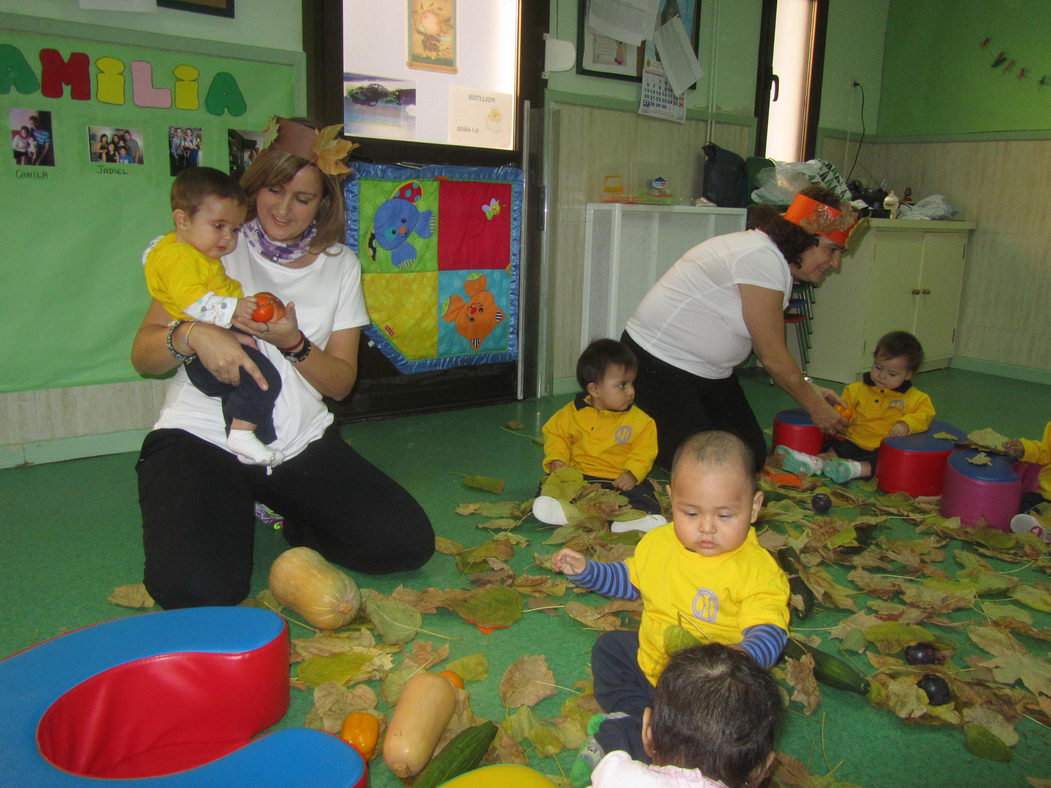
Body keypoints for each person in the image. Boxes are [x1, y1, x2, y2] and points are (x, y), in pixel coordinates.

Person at [131, 116, 434, 610]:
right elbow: (145, 357)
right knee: (198, 591)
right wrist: (194, 333)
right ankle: (223, 501)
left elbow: (340, 384)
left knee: (404, 543)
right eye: (275, 190)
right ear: (256, 188)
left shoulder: (340, 264)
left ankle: (280, 514)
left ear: (324, 203)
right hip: (202, 434)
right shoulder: (214, 243)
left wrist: (295, 344)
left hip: (294, 441)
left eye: (303, 197)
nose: (283, 208)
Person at [551, 430, 789, 785]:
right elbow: (629, 580)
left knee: (724, 732)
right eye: (690, 512)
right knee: (610, 649)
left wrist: (741, 657)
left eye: (725, 516)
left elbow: (770, 631)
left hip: (703, 697)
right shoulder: (659, 543)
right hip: (653, 660)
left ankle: (645, 733)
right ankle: (640, 717)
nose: (706, 528)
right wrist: (587, 571)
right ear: (671, 498)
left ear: (754, 507)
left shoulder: (758, 571)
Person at [623, 185, 859, 472]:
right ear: (804, 239)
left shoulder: (768, 256)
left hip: (710, 374)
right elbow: (772, 355)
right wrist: (814, 406)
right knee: (703, 466)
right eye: (832, 250)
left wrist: (811, 388)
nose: (834, 264)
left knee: (751, 456)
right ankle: (626, 426)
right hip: (657, 366)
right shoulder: (761, 258)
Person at [142, 166, 284, 466]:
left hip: (208, 345)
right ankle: (243, 438)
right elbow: (193, 302)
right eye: (218, 226)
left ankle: (248, 446)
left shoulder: (192, 253)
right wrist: (234, 308)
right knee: (265, 381)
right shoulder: (180, 258)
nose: (227, 239)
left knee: (247, 398)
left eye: (234, 230)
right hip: (201, 351)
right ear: (182, 220)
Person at [589, 643, 781, 788]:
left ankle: (627, 719)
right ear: (761, 769)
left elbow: (611, 765)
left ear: (646, 731)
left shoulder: (620, 773)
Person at [532, 338, 667, 534]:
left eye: (631, 383)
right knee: (548, 487)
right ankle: (563, 512)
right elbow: (556, 435)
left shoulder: (642, 421)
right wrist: (557, 460)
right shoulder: (571, 413)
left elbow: (644, 451)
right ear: (594, 390)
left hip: (618, 480)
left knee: (645, 496)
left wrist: (632, 473)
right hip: (579, 477)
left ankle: (629, 521)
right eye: (622, 386)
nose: (631, 392)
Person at [775, 330, 934, 482]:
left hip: (881, 446)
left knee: (884, 462)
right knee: (835, 447)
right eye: (878, 367)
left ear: (908, 374)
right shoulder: (855, 389)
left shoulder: (917, 398)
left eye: (892, 374)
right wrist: (839, 416)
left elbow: (925, 415)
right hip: (853, 439)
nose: (882, 375)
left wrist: (906, 424)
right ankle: (818, 462)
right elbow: (844, 410)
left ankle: (855, 470)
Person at [1004, 419, 1051, 541]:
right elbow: (1045, 452)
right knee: (1025, 502)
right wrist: (1025, 449)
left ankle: (1045, 533)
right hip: (1048, 497)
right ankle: (1041, 530)